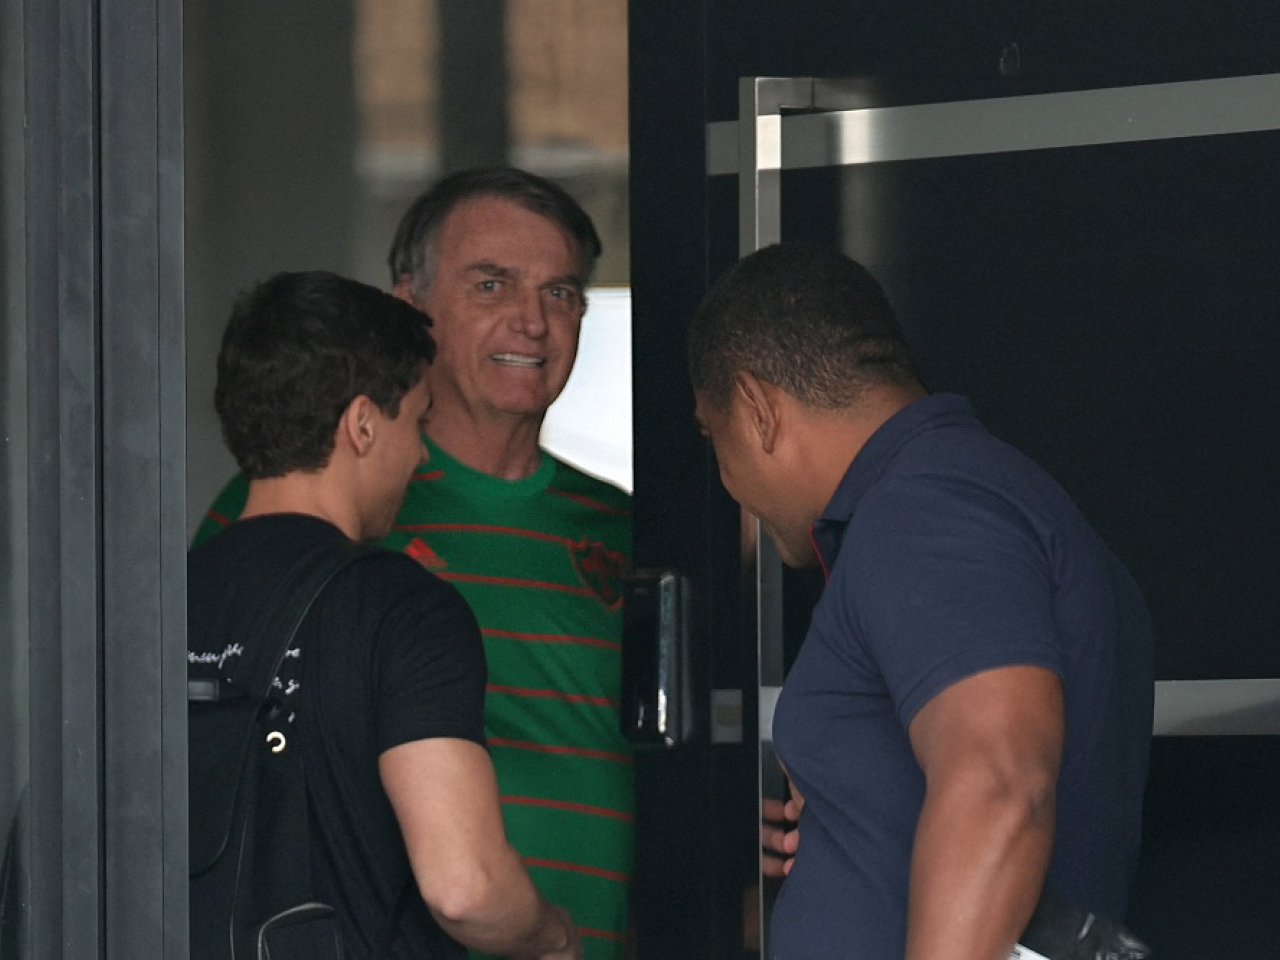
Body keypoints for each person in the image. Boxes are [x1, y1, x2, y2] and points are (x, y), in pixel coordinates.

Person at [193, 169, 633, 959]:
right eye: (492, 284)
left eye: (561, 292)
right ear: (411, 308)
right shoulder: (285, 518)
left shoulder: (631, 530)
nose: (532, 321)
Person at [687, 243, 1153, 959]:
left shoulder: (924, 511)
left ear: (757, 409)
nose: (727, 479)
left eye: (711, 436)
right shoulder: (958, 499)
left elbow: (999, 783)